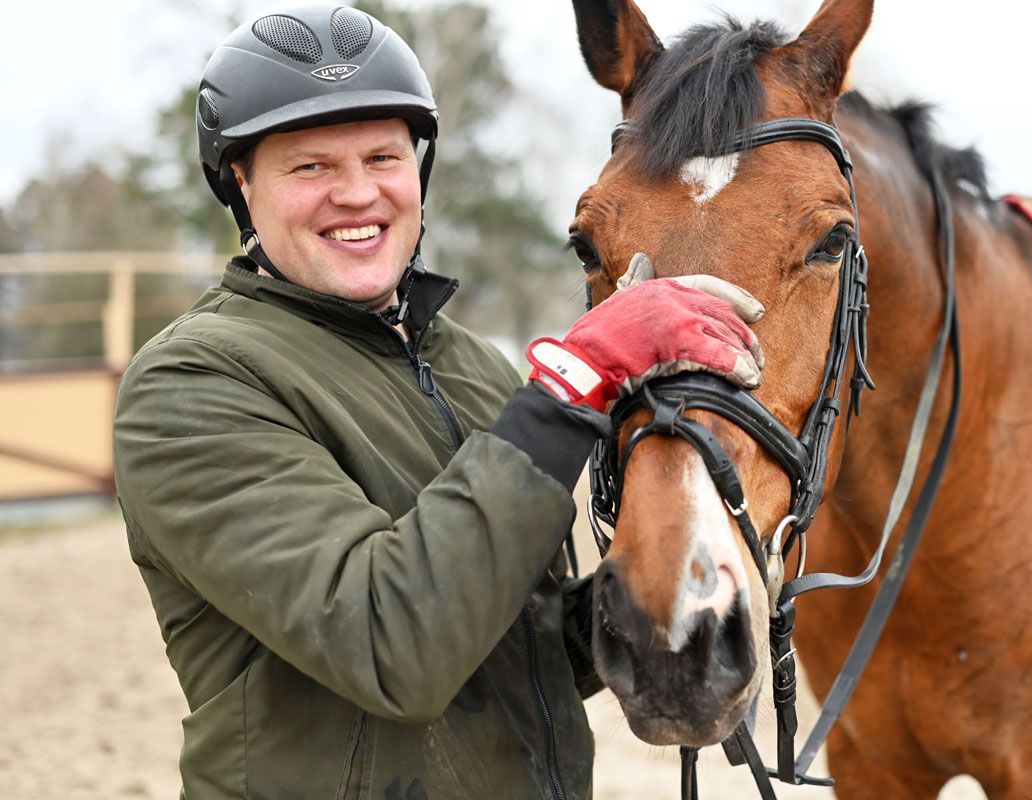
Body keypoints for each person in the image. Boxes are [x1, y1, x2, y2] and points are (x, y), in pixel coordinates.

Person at [113, 6, 763, 799]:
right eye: (310, 167)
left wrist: (683, 583)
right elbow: (394, 645)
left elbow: (504, 642)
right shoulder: (190, 385)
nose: (357, 194)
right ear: (242, 186)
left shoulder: (468, 365)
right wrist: (574, 381)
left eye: (383, 156)